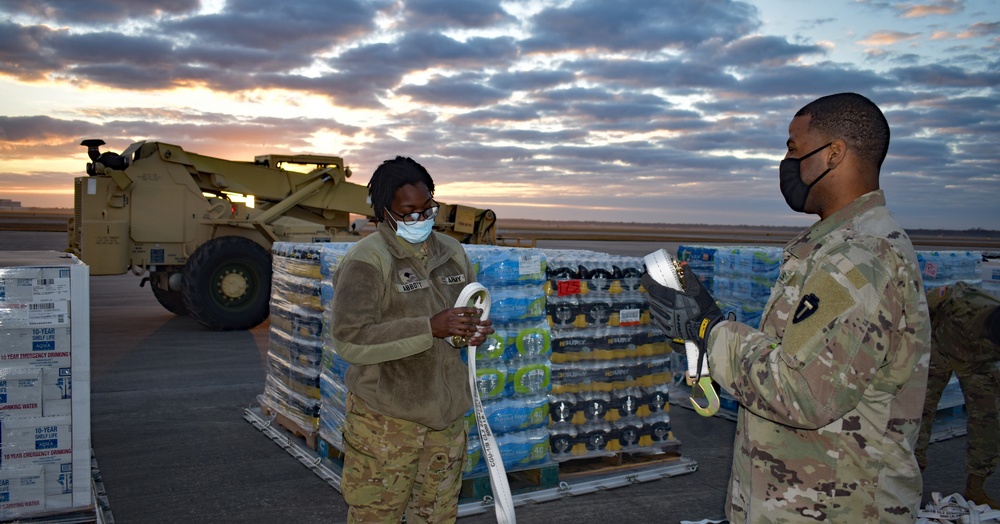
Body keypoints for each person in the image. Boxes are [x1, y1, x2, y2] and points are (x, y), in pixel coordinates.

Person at [642, 92, 931, 522]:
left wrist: (709, 333)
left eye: (794, 149)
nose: (787, 163)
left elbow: (803, 391)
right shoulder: (835, 249)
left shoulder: (858, 259)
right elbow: (796, 356)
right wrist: (707, 323)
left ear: (834, 154)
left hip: (837, 507)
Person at [330, 156, 493, 523]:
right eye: (409, 212)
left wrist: (471, 332)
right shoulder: (368, 260)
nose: (421, 219)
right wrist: (428, 328)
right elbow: (350, 340)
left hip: (445, 421)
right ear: (385, 212)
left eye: (427, 208)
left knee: (436, 517)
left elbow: (460, 321)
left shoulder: (452, 253)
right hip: (386, 425)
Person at [915, 281, 1000, 508]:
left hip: (978, 363)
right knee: (917, 415)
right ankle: (909, 484)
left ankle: (976, 489)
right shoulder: (964, 299)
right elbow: (918, 307)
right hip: (939, 348)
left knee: (989, 420)